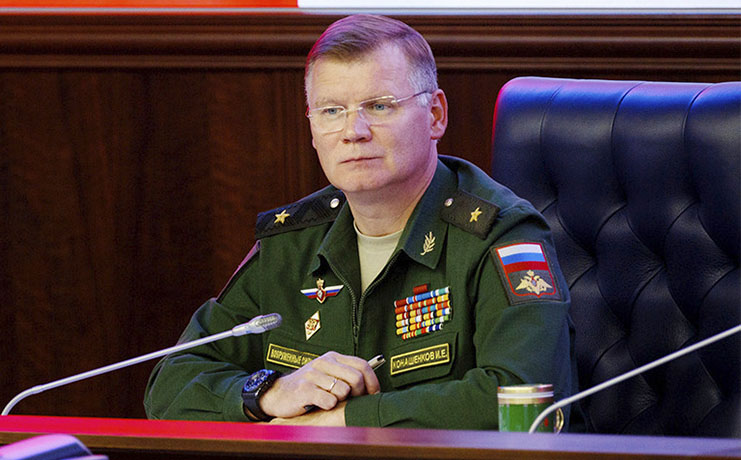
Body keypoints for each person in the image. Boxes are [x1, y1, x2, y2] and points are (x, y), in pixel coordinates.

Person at [144, 13, 577, 429]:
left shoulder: (498, 236)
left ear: (435, 115)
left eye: (379, 106)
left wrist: (347, 420)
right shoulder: (291, 242)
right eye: (332, 111)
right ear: (312, 128)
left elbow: (527, 397)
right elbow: (170, 383)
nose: (354, 131)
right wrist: (268, 393)